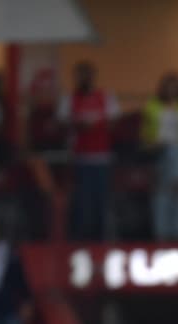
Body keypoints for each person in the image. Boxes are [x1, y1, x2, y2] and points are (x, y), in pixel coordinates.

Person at [59, 61, 121, 241]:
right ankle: (81, 238)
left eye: (88, 74)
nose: (85, 78)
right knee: (82, 201)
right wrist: (78, 124)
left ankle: (100, 238)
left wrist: (96, 124)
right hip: (80, 157)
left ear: (93, 76)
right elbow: (61, 122)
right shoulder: (69, 98)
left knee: (100, 201)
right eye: (81, 74)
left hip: (101, 156)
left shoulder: (106, 96)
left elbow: (114, 121)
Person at [141, 72, 178, 241]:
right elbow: (145, 132)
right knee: (161, 193)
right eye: (169, 87)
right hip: (159, 151)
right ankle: (161, 234)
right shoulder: (152, 106)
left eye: (175, 88)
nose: (172, 91)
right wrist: (153, 143)